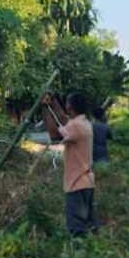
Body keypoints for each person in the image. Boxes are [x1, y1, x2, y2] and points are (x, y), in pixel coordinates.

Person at [42, 92, 96, 237]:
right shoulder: (84, 123)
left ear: (70, 106)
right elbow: (64, 119)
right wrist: (53, 102)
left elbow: (54, 135)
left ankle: (80, 256)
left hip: (76, 184)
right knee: (88, 226)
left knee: (77, 229)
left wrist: (45, 108)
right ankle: (90, 255)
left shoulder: (76, 125)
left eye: (66, 103)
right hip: (87, 182)